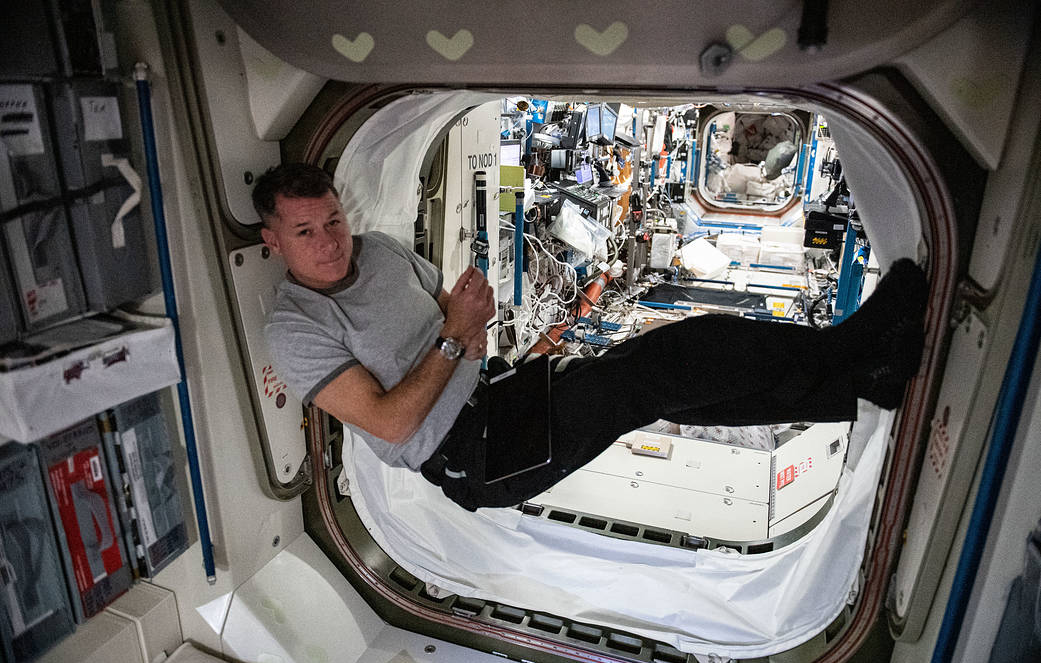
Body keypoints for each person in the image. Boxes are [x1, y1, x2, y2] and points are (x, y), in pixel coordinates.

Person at [257, 163, 927, 512]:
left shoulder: (377, 249)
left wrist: (469, 320)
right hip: (472, 455)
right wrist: (455, 339)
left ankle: (858, 385)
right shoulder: (295, 328)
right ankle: (848, 352)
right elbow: (391, 424)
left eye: (333, 220)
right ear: (273, 241)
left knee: (659, 383)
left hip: (499, 392)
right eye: (305, 232)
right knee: (661, 365)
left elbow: (445, 311)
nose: (330, 242)